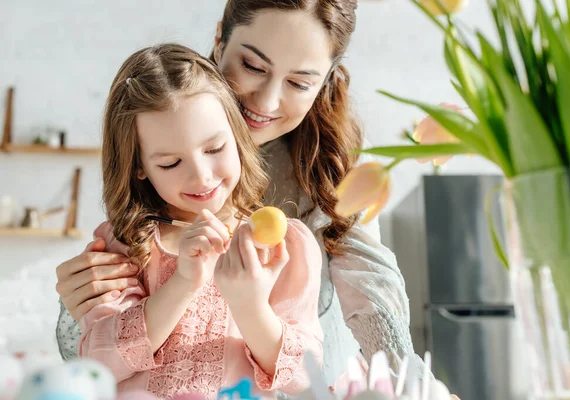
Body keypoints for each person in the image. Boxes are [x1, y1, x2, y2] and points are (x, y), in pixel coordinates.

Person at [56, 0, 414, 385]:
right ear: (219, 40)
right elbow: (89, 355)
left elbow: (370, 292)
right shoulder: (161, 117)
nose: (267, 101)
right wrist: (81, 307)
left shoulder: (333, 169)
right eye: (254, 67)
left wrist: (411, 383)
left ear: (326, 79)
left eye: (299, 82)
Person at [76, 43, 323, 399]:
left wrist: (250, 305)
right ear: (139, 167)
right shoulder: (124, 244)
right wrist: (184, 283)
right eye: (170, 164)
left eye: (214, 149)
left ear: (237, 138)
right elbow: (98, 362)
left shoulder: (285, 245)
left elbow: (305, 375)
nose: (202, 176)